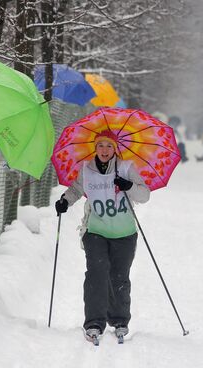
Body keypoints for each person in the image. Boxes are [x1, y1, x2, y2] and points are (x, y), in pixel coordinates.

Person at [54, 129, 151, 343]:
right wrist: (65, 201)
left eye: (109, 146)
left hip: (124, 233)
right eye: (100, 146)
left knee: (119, 277)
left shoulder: (126, 168)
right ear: (95, 148)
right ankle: (94, 323)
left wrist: (128, 186)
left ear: (115, 149)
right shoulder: (86, 169)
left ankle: (119, 321)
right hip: (96, 231)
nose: (104, 150)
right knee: (97, 274)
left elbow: (144, 195)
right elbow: (77, 188)